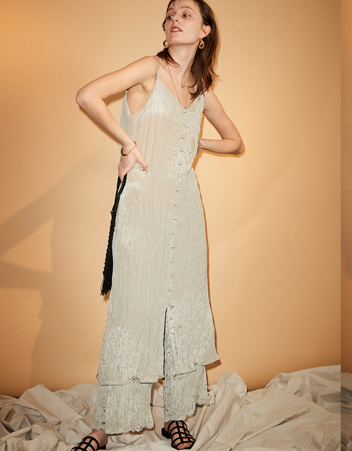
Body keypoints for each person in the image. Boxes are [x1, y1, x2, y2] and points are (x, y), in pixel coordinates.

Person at [73, 1, 243, 450]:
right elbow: (87, 95)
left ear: (204, 31)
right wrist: (128, 143)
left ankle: (175, 416)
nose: (174, 19)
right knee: (132, 311)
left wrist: (194, 142)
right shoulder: (150, 68)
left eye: (185, 13)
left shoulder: (202, 90)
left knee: (181, 309)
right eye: (170, 14)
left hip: (185, 213)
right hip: (142, 207)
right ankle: (103, 424)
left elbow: (235, 141)